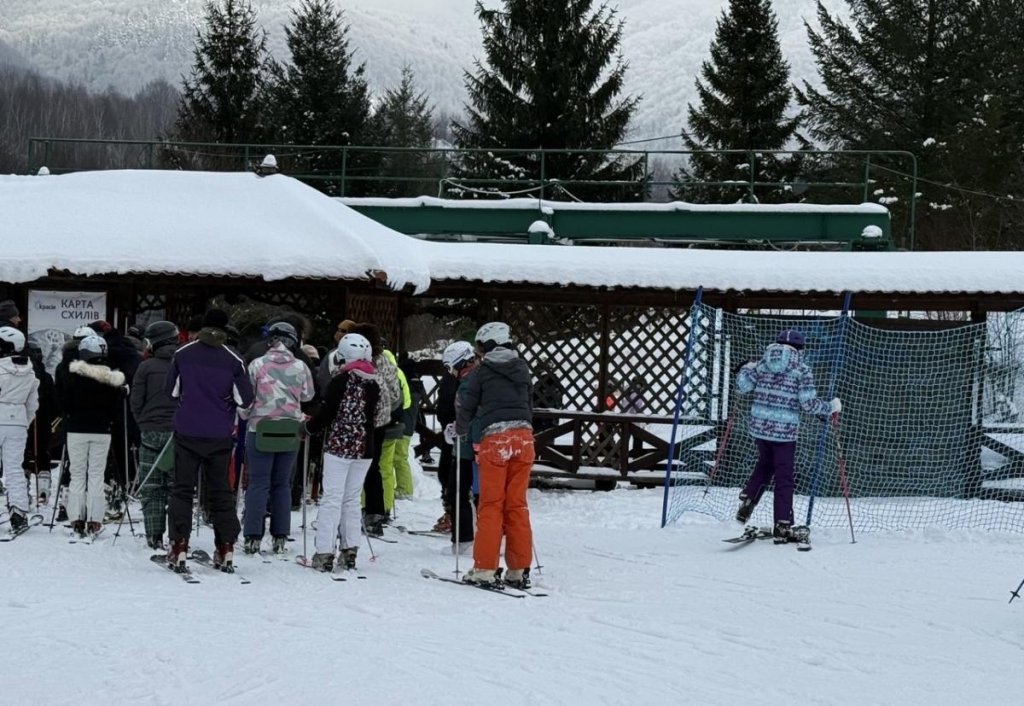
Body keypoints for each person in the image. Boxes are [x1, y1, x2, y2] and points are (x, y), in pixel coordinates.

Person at [164, 309, 254, 573]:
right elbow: (245, 400)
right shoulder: (234, 359)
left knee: (182, 489)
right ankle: (225, 547)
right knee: (221, 492)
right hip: (219, 434)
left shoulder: (183, 353)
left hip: (187, 430)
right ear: (226, 329)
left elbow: (171, 392)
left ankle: (179, 545)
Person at [734, 329, 841, 542]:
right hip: (784, 433)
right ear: (800, 349)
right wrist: (830, 407)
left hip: (760, 428)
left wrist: (745, 368)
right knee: (784, 477)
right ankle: (783, 524)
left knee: (765, 464)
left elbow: (742, 386)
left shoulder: (762, 365)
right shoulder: (802, 370)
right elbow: (809, 404)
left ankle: (749, 496)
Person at [456, 322, 535, 589]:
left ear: (486, 346)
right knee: (517, 505)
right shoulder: (522, 369)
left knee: (491, 505)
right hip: (523, 438)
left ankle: (485, 568)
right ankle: (518, 569)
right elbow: (529, 403)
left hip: (495, 439)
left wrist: (460, 430)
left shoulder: (482, 372)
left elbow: (468, 408)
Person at [304, 334, 380, 572]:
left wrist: (308, 427)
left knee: (332, 498)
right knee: (351, 499)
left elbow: (326, 414)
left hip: (339, 445)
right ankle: (350, 550)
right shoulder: (374, 383)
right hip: (365, 447)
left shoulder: (340, 381)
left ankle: (324, 552)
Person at [239, 322, 314, 555]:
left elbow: (246, 398)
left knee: (258, 483)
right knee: (282, 484)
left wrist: (245, 415)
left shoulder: (257, 364)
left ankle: (253, 535)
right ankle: (280, 536)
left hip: (260, 428)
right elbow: (308, 394)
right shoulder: (301, 366)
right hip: (290, 429)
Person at [57, 335, 127, 537]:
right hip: (102, 431)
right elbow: (116, 409)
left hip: (76, 430)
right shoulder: (111, 379)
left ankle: (76, 518)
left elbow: (64, 403)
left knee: (77, 474)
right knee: (97, 474)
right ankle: (95, 519)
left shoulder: (73, 375)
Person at [130, 321, 179, 550]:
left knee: (151, 485)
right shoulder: (186, 364)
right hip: (180, 433)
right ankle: (178, 535)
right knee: (178, 486)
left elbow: (136, 401)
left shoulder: (146, 366)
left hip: (151, 430)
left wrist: (143, 422)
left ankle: (154, 534)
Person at [349, 323, 400, 537]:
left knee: (351, 467)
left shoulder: (355, 363)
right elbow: (396, 392)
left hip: (353, 422)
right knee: (374, 467)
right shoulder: (386, 362)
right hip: (379, 423)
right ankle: (376, 513)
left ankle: (349, 512)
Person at [0, 327, 40, 531]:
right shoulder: (30, 372)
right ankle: (19, 511)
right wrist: (24, 421)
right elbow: (33, 404)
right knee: (14, 468)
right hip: (17, 422)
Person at [442, 340, 478, 553]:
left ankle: (463, 541)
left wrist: (457, 430)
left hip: (467, 445)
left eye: (450, 368)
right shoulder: (484, 375)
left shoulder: (467, 382)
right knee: (483, 494)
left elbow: (466, 413)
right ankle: (493, 539)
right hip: (483, 442)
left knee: (458, 490)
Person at [395, 352, 423, 499]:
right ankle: (404, 487)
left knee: (400, 458)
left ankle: (405, 489)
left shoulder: (408, 387)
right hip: (409, 425)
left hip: (403, 425)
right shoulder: (417, 385)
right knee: (401, 457)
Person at [318, 319, 356, 391]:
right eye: (338, 330)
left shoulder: (333, 354)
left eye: (341, 330)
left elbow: (323, 378)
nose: (337, 333)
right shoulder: (363, 353)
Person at [531, 356, 565, 433]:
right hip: (553, 418)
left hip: (539, 419)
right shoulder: (557, 382)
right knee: (549, 441)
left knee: (538, 442)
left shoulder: (540, 383)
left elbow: (533, 399)